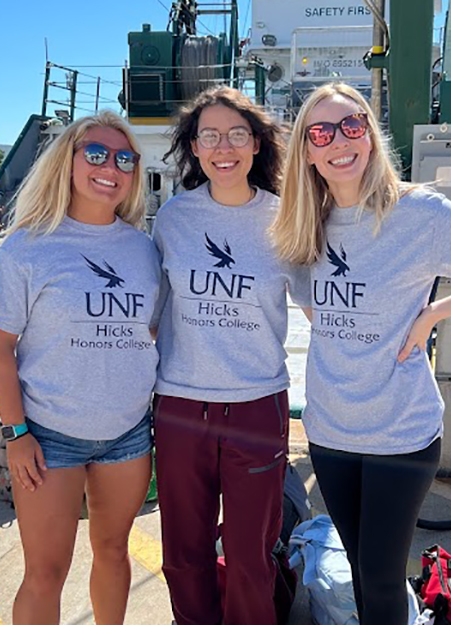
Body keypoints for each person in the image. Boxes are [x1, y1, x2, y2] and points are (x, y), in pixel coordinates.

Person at [271, 82, 451, 624]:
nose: (339, 141)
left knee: (381, 576)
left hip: (401, 429)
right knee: (359, 567)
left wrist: (433, 314)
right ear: (307, 149)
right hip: (330, 431)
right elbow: (317, 313)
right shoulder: (306, 223)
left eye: (352, 125)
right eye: (321, 132)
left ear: (370, 137)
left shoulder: (419, 213)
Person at [0, 111, 160, 625]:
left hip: (128, 435)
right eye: (94, 153)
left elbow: (153, 333)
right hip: (49, 437)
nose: (110, 166)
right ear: (68, 163)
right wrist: (17, 434)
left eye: (124, 158)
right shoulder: (29, 247)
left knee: (114, 552)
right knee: (45, 572)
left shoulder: (144, 250)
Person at [152, 86, 304, 625]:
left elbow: (326, 308)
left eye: (237, 134)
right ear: (193, 148)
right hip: (179, 407)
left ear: (258, 144)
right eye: (210, 135)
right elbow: (148, 314)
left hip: (257, 405)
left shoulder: (286, 218)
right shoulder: (172, 220)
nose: (224, 146)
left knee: (249, 557)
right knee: (183, 554)